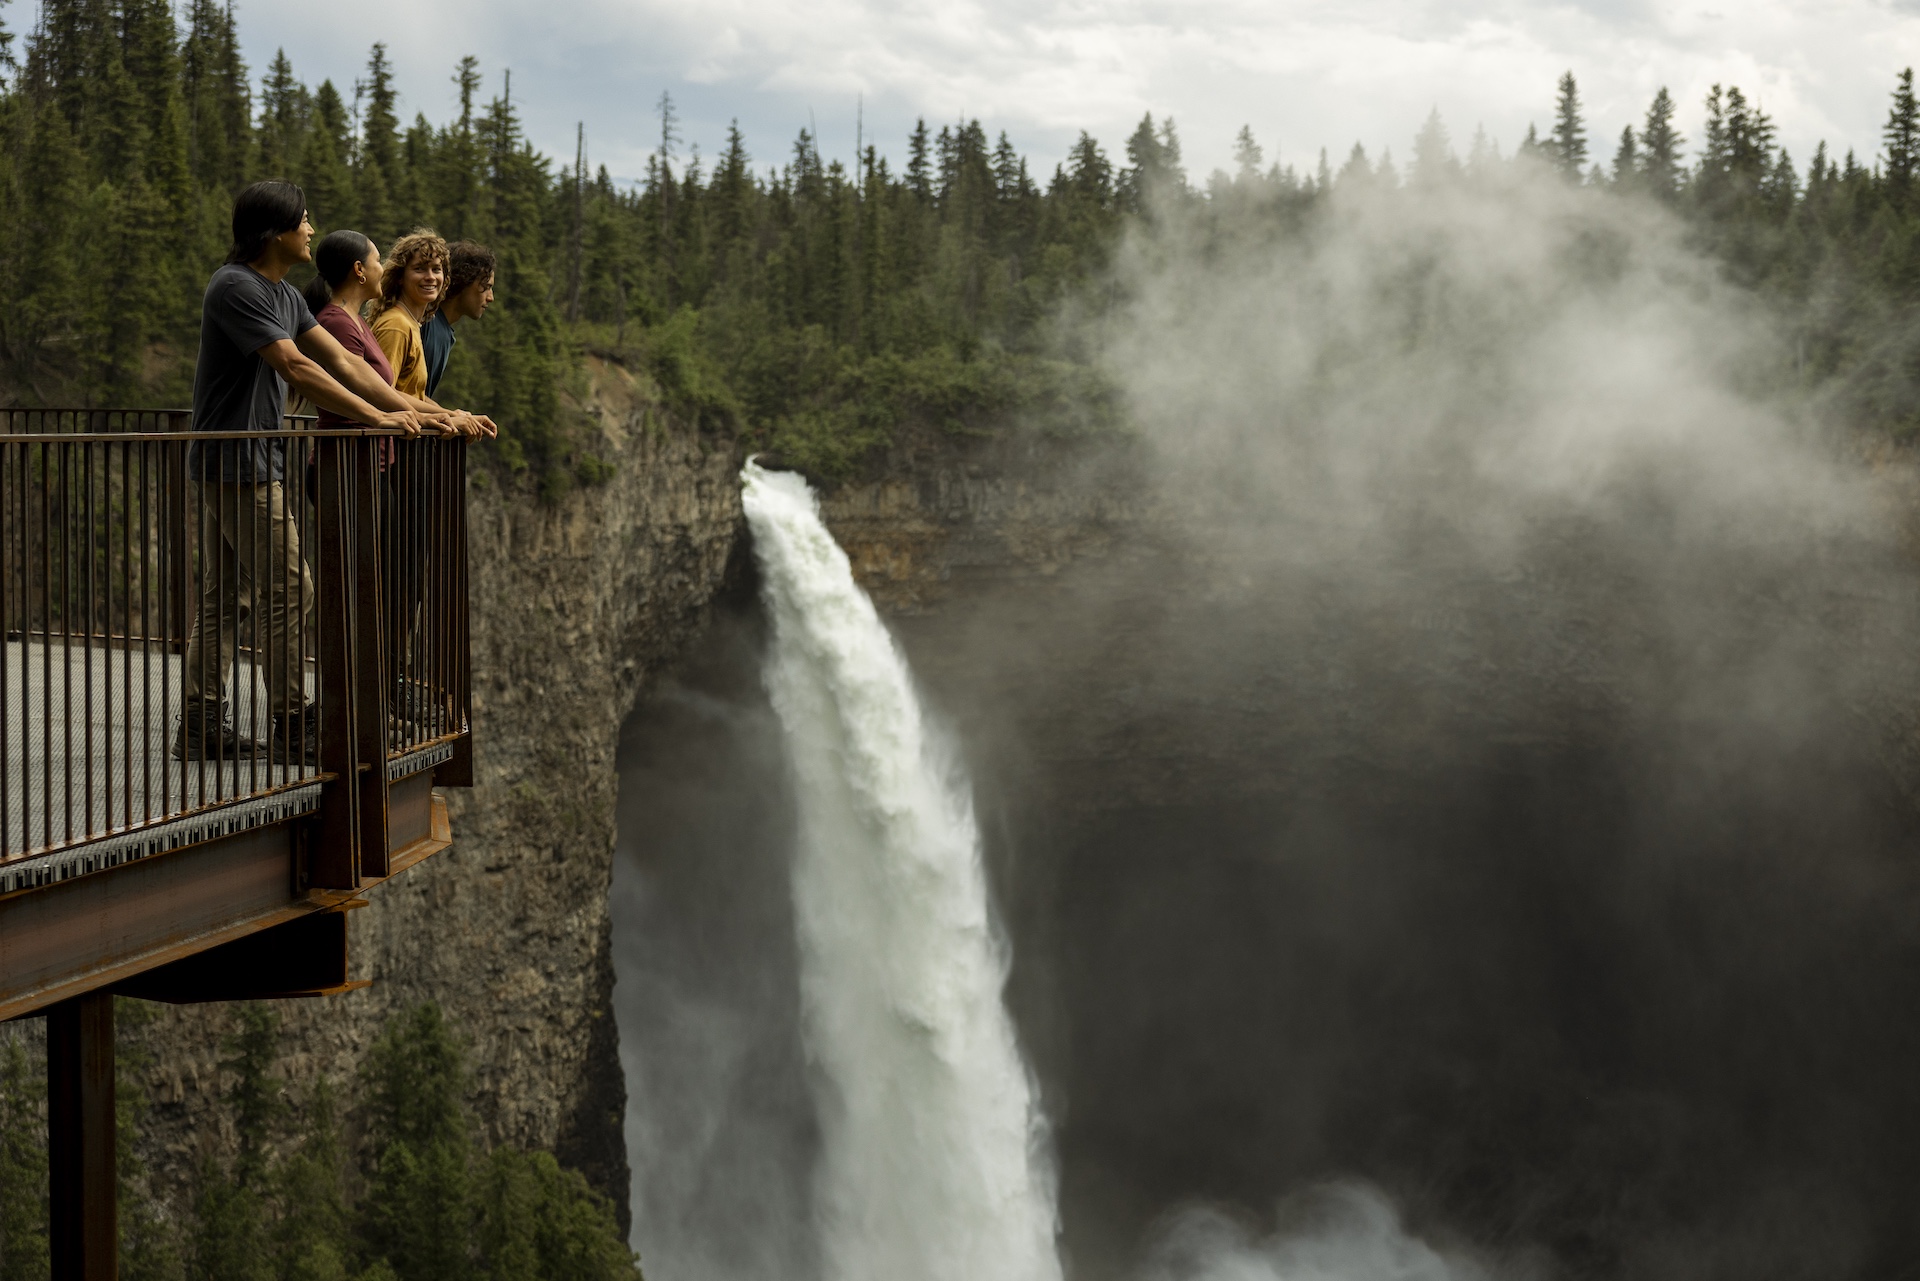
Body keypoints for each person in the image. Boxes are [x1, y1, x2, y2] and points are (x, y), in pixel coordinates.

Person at [177, 180, 443, 765]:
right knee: (290, 585)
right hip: (235, 461)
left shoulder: (286, 295)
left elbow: (344, 360)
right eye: (303, 220)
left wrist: (403, 410)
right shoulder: (235, 287)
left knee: (230, 594)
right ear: (275, 232)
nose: (311, 229)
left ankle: (200, 725)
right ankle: (292, 721)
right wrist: (376, 416)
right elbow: (295, 366)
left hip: (252, 458)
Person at [422, 240, 495, 398]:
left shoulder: (441, 329)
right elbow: (401, 393)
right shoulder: (426, 323)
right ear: (464, 281)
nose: (491, 298)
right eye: (486, 287)